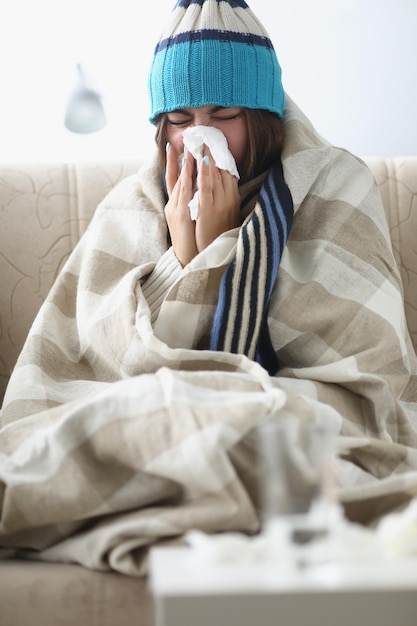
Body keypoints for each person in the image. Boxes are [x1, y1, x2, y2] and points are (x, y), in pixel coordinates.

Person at [1, 0, 417, 576]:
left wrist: (222, 247)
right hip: (161, 411)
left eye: (223, 113)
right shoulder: (130, 205)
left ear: (264, 117)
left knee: (239, 430)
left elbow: (367, 384)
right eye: (179, 119)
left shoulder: (334, 184)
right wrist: (183, 258)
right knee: (156, 418)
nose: (200, 137)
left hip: (295, 415)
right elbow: (91, 363)